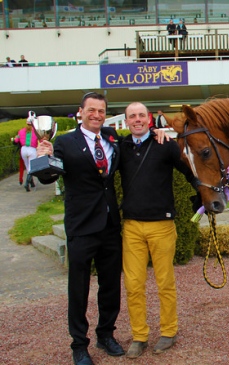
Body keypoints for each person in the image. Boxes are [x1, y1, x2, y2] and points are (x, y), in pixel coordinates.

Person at [37, 92, 125, 365]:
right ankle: (79, 344)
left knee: (110, 286)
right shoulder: (63, 142)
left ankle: (106, 334)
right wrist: (44, 158)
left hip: (110, 226)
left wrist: (158, 132)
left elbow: (139, 140)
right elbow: (47, 175)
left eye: (101, 111)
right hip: (81, 226)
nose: (96, 115)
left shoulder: (112, 138)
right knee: (79, 288)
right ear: (81, 112)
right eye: (92, 110)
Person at [120, 102, 197, 359]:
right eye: (133, 116)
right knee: (133, 284)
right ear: (127, 121)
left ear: (149, 118)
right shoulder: (121, 147)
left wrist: (207, 195)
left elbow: (189, 171)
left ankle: (169, 331)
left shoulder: (165, 145)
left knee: (165, 282)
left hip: (162, 225)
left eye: (141, 115)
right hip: (132, 226)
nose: (137, 120)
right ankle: (139, 335)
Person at [14, 112, 39, 192]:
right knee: (31, 168)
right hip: (32, 149)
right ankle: (27, 184)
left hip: (23, 149)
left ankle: (32, 183)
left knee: (28, 167)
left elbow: (15, 140)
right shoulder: (36, 131)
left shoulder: (20, 131)